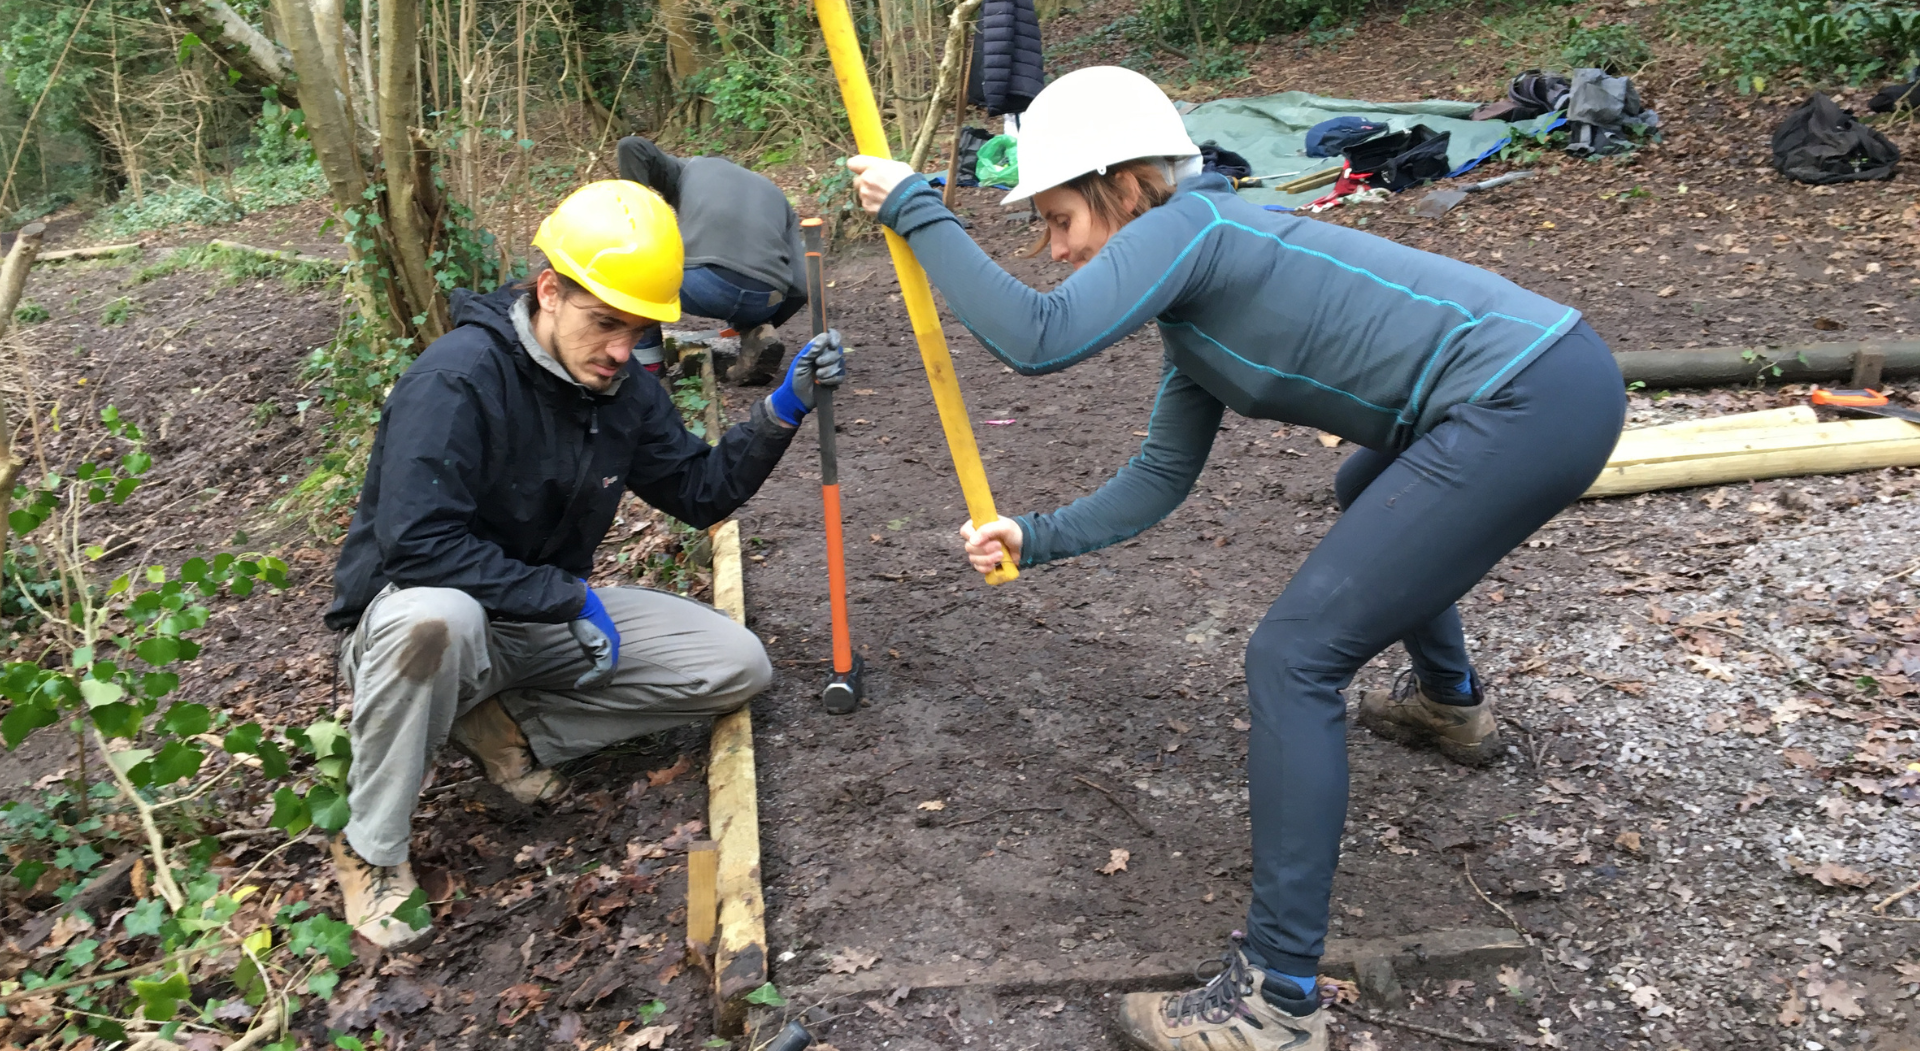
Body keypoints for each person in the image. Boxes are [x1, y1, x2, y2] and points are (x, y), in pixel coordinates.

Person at [847, 66, 1624, 1051]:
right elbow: (1158, 481)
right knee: (1361, 490)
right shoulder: (1195, 310)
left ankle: (1277, 998)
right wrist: (1033, 537)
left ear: (1124, 185)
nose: (1055, 250)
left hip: (1530, 395)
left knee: (1293, 659)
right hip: (1532, 388)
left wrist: (918, 209)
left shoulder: (1197, 228)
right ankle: (1449, 704)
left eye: (1059, 220)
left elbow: (1036, 338)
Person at [323, 180, 843, 949]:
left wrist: (779, 413)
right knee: (442, 619)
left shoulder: (621, 391)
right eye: (603, 323)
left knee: (735, 665)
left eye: (635, 331)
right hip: (414, 618)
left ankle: (509, 730)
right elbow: (418, 546)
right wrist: (565, 597)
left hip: (533, 616)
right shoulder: (457, 379)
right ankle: (369, 848)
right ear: (549, 292)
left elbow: (700, 492)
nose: (619, 349)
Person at [617, 135, 808, 384]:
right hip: (765, 299)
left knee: (637, 279)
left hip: (706, 286)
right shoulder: (775, 193)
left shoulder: (689, 168)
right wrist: (766, 317)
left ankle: (649, 372)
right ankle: (757, 333)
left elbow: (630, 146)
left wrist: (637, 227)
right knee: (753, 293)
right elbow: (803, 285)